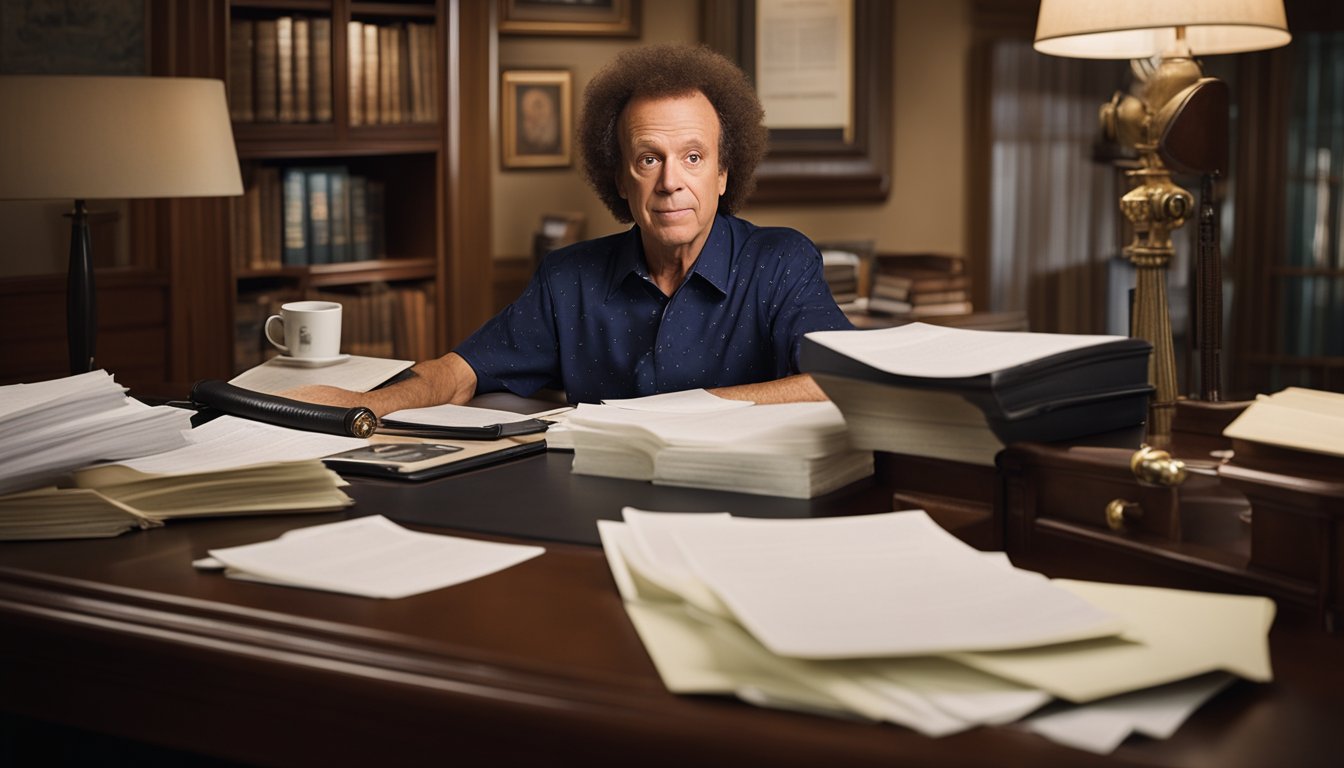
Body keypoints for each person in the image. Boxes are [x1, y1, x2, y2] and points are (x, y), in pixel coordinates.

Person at [286, 44, 853, 415]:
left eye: (695, 157)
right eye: (649, 159)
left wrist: (678, 409)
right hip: (589, 508)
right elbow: (458, 374)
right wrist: (364, 403)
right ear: (620, 179)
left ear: (726, 172)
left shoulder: (781, 261)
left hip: (740, 505)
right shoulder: (569, 279)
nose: (671, 182)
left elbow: (841, 382)